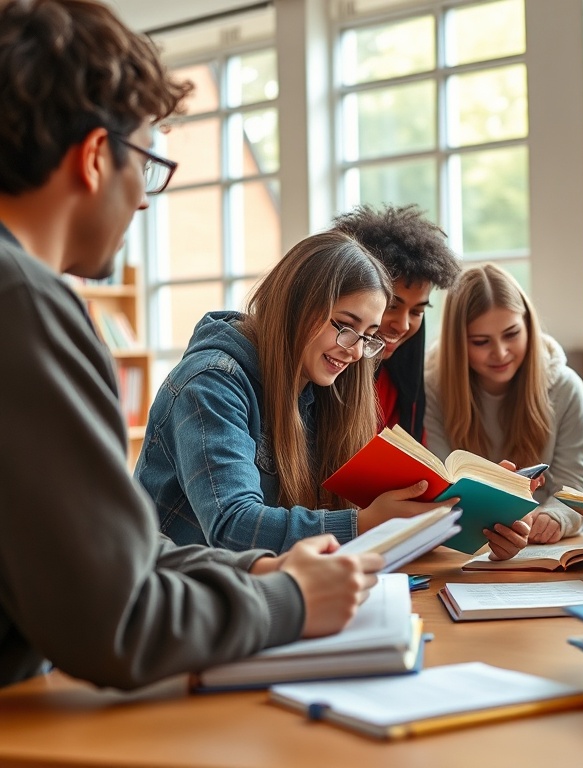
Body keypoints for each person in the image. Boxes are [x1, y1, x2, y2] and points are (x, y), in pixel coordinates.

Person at [0, 0, 382, 690]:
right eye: (146, 164)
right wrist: (290, 600)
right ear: (93, 158)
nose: (145, 201)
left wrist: (259, 571)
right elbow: (115, 621)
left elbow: (121, 557)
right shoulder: (23, 302)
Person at [135, 232, 526, 559]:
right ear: (294, 305)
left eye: (369, 336)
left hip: (265, 593)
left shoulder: (319, 386)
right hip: (182, 605)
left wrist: (467, 514)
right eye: (344, 325)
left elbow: (328, 518)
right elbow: (235, 528)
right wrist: (365, 523)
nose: (356, 352)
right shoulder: (211, 383)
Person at [424, 263, 583, 545]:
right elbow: (441, 493)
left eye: (512, 334)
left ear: (529, 326)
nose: (500, 353)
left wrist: (554, 518)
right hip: (462, 549)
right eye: (480, 341)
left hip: (541, 547)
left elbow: (574, 488)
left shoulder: (566, 387)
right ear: (458, 344)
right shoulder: (432, 390)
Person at [332, 204, 462, 443]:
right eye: (392, 305)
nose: (402, 325)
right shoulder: (325, 369)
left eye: (416, 311)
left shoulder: (397, 382)